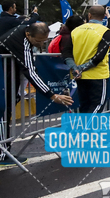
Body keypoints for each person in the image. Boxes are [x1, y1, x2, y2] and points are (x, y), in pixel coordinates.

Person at [0, 21, 73, 164]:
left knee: (6, 110)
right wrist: (52, 95)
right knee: (3, 112)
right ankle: (2, 154)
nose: (41, 45)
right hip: (4, 77)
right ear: (28, 34)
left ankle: (4, 149)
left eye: (44, 41)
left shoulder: (25, 32)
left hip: (7, 75)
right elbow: (30, 71)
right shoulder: (21, 41)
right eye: (38, 41)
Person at [69, 6, 110, 113]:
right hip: (98, 74)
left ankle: (83, 128)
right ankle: (87, 129)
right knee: (98, 105)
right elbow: (99, 57)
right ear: (103, 16)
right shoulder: (105, 31)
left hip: (79, 75)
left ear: (89, 15)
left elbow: (67, 51)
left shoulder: (76, 30)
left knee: (84, 105)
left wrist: (76, 68)